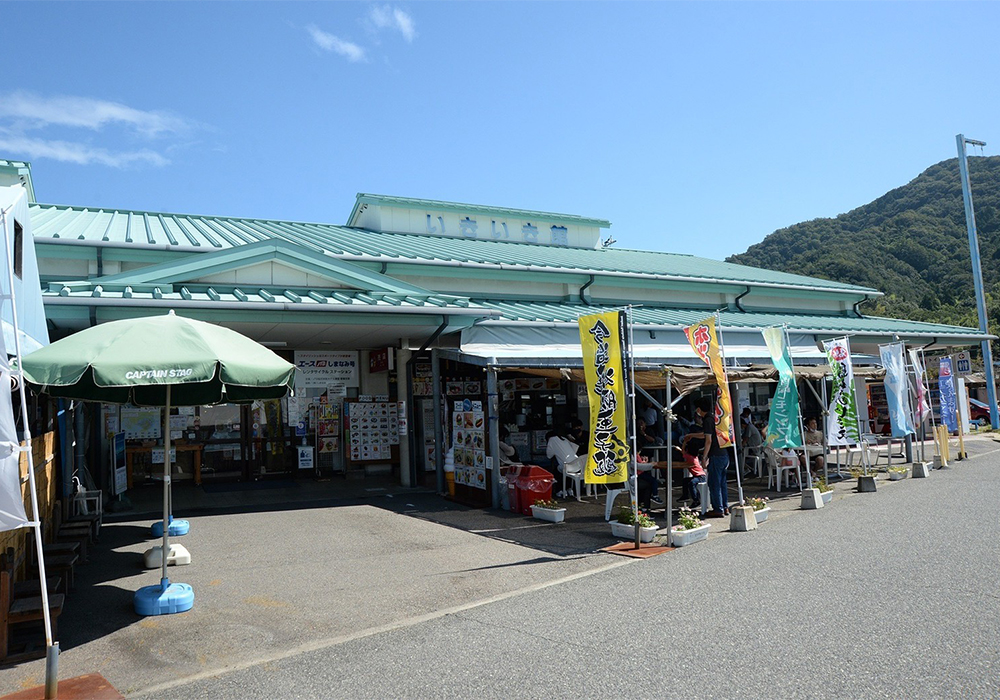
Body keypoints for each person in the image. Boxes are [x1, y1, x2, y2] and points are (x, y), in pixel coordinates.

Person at [695, 397, 730, 517]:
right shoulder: (715, 418)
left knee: (714, 483)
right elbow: (707, 435)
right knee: (722, 483)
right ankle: (725, 507)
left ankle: (718, 509)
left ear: (699, 409)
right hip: (724, 454)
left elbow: (708, 440)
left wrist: (704, 457)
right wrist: (691, 435)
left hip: (715, 455)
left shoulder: (707, 420)